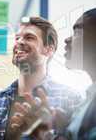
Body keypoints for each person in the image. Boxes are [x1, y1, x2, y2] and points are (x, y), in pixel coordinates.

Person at [0, 17, 82, 140]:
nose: (19, 42)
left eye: (29, 37)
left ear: (49, 49)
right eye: (17, 38)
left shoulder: (69, 98)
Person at [9, 8, 96, 140]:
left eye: (78, 32)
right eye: (17, 38)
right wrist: (59, 129)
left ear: (49, 49)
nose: (67, 39)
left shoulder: (72, 98)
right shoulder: (88, 99)